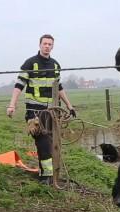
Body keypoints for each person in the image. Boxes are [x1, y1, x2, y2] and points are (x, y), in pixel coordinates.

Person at [6, 34, 76, 185]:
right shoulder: (30, 63)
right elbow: (19, 86)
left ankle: (48, 173)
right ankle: (46, 176)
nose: (47, 46)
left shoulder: (56, 65)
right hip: (35, 113)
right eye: (44, 44)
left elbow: (59, 88)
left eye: (50, 44)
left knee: (50, 142)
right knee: (43, 142)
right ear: (40, 45)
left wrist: (70, 106)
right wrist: (12, 105)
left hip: (52, 112)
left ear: (52, 46)